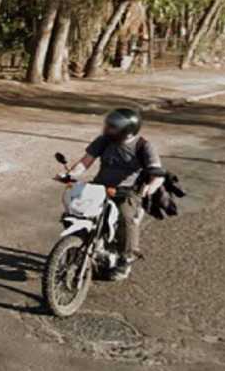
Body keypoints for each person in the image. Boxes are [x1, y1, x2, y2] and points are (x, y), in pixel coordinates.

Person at [56, 108, 165, 280]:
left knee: (126, 217)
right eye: (108, 125)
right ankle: (76, 247)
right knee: (75, 208)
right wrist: (71, 174)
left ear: (127, 130)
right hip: (100, 187)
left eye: (112, 127)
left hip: (127, 192)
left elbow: (157, 172)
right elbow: (86, 162)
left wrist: (150, 186)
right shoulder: (104, 141)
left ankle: (126, 259)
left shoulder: (143, 146)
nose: (107, 129)